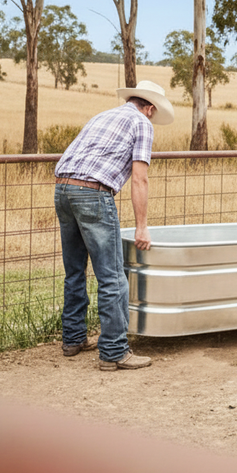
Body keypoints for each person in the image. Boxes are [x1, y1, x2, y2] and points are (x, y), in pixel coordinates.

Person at [53, 80, 174, 370]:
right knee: (112, 277)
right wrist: (142, 226)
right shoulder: (142, 123)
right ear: (149, 107)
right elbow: (140, 178)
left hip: (63, 189)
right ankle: (114, 351)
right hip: (93, 193)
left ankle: (73, 338)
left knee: (75, 270)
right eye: (153, 114)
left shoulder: (103, 115)